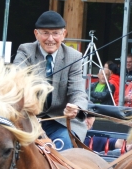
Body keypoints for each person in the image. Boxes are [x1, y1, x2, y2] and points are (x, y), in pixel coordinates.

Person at [13, 11, 89, 150]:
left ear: (64, 34)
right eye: (45, 33)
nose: (50, 38)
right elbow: (17, 79)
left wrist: (76, 108)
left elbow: (78, 91)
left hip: (61, 122)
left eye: (55, 33)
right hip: (29, 120)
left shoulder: (74, 56)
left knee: (65, 148)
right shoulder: (25, 50)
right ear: (36, 34)